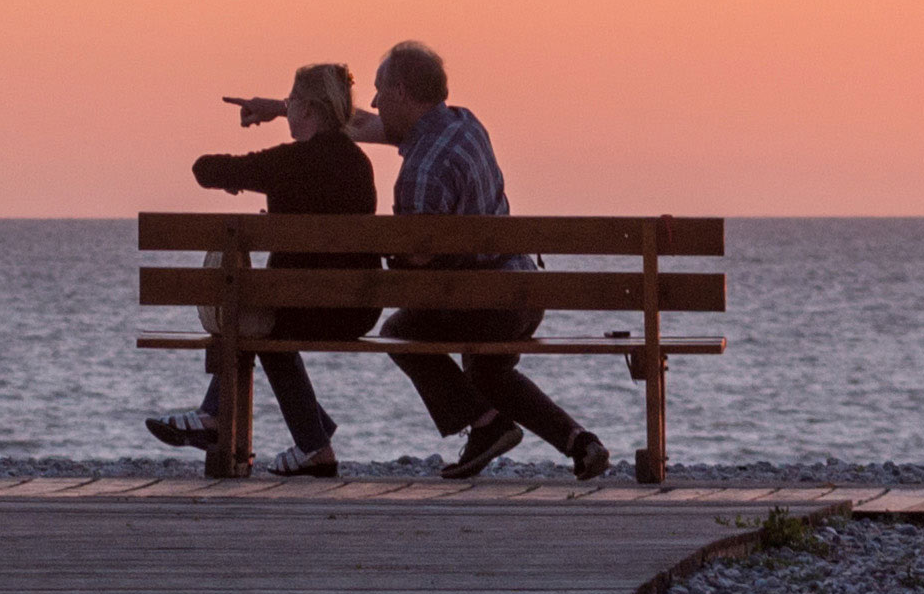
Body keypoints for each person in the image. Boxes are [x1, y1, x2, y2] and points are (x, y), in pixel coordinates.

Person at [369, 37, 608, 482]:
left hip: (483, 306)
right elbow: (374, 127)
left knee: (398, 332)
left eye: (379, 92)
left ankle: (487, 424)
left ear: (400, 92)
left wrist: (390, 259)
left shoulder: (421, 172)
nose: (374, 103)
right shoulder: (464, 124)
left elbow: (419, 263)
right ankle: (580, 442)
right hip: (523, 293)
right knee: (487, 371)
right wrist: (289, 110)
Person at [145, 60, 377, 474]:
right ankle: (307, 438)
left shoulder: (289, 163)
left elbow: (205, 169)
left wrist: (241, 178)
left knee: (256, 321)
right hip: (357, 309)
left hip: (300, 309)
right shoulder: (359, 165)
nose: (287, 109)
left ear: (306, 109)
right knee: (263, 319)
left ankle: (243, 426)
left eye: (291, 102)